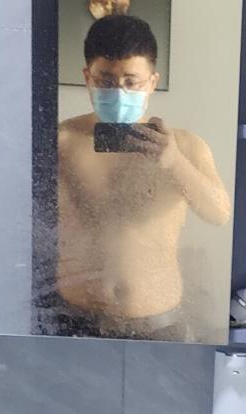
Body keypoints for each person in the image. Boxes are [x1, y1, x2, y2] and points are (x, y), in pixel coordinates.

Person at [47, 12, 230, 341]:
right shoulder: (61, 141)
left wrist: (174, 162)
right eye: (106, 81)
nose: (119, 92)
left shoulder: (186, 146)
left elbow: (219, 213)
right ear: (87, 77)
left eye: (131, 82)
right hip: (72, 321)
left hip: (158, 325)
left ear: (152, 81)